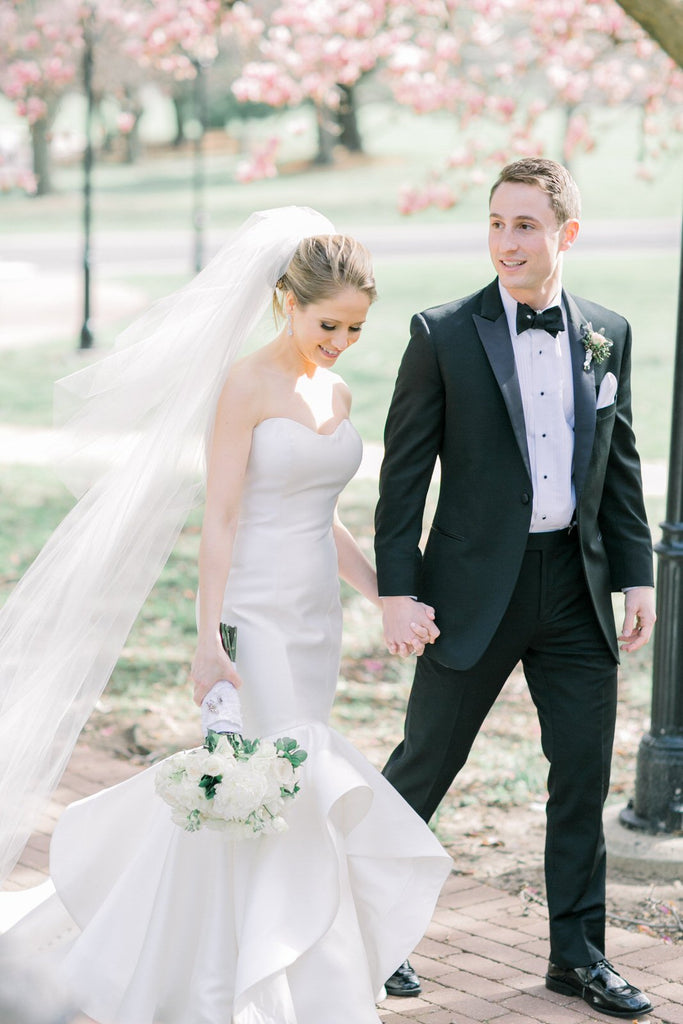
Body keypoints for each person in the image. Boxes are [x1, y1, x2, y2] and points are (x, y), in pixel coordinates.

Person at [0, 209, 451, 1024]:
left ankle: (271, 964)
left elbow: (328, 517)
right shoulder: (244, 385)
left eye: (355, 326)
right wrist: (208, 638)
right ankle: (242, 980)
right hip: (255, 616)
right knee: (269, 777)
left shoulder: (338, 389)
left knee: (274, 787)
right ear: (287, 299)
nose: (341, 341)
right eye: (328, 324)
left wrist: (383, 592)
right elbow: (221, 519)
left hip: (315, 621)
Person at [374, 158, 656, 1017]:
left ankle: (576, 957)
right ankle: (364, 930)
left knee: (579, 779)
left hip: (576, 589)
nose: (506, 241)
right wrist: (396, 592)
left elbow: (621, 465)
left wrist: (637, 573)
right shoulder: (442, 333)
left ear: (565, 234)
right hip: (466, 591)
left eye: (524, 225)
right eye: (496, 223)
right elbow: (402, 477)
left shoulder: (607, 331)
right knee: (424, 765)